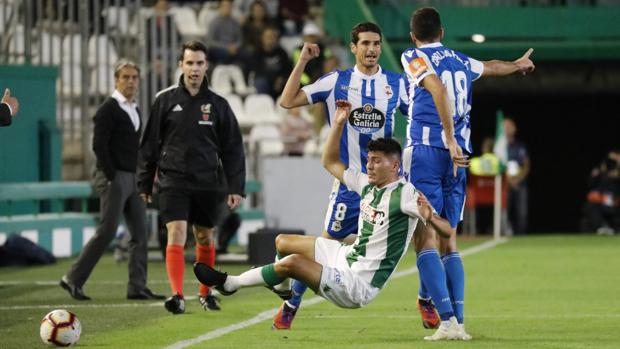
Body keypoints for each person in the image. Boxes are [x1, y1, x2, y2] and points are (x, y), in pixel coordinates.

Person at [194, 100, 462, 340]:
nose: (369, 166)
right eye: (368, 160)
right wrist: (337, 125)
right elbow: (329, 161)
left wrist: (430, 218)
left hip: (359, 284)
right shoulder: (367, 184)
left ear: (394, 166)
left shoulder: (406, 194)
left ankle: (231, 284)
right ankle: (283, 289)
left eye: (376, 161)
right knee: (283, 243)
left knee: (294, 263)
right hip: (346, 256)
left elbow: (447, 231)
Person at [401, 7, 535, 337]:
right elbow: (490, 67)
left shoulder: (413, 56)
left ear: (413, 36)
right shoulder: (459, 59)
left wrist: (447, 137)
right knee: (450, 237)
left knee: (425, 236)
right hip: (459, 158)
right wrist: (517, 65)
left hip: (429, 152)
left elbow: (437, 88)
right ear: (442, 33)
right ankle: (458, 322)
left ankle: (445, 320)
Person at [276, 21, 410, 329]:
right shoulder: (336, 80)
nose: (372, 49)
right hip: (349, 184)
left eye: (376, 43)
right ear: (353, 48)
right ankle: (291, 302)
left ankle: (430, 304)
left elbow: (418, 117)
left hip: (385, 186)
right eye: (365, 43)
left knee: (422, 236)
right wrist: (303, 61)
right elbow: (287, 101)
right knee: (325, 245)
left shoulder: (396, 85)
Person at [138, 41, 246, 314]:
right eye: (190, 63)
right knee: (176, 231)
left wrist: (235, 187)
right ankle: (177, 296)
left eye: (199, 63)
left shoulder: (219, 104)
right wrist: (145, 181)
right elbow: (150, 144)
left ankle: (204, 293)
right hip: (172, 179)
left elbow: (233, 148)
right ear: (181, 65)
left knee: (205, 237)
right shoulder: (165, 100)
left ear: (206, 66)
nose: (195, 68)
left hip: (208, 181)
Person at [60, 60, 164, 302]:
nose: (130, 81)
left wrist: (143, 173)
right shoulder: (109, 108)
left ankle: (137, 286)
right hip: (115, 177)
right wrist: (111, 175)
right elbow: (99, 145)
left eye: (134, 77)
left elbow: (133, 148)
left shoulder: (134, 109)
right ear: (116, 80)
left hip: (132, 177)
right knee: (107, 231)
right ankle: (73, 279)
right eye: (125, 77)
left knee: (140, 232)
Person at [505, 117, 530, 235]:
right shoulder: (499, 148)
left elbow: (526, 165)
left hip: (520, 183)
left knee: (522, 212)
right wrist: (509, 180)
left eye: (509, 126)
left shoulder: (520, 146)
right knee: (505, 210)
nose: (507, 129)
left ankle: (521, 236)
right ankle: (505, 232)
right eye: (504, 127)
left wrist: (518, 179)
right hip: (504, 184)